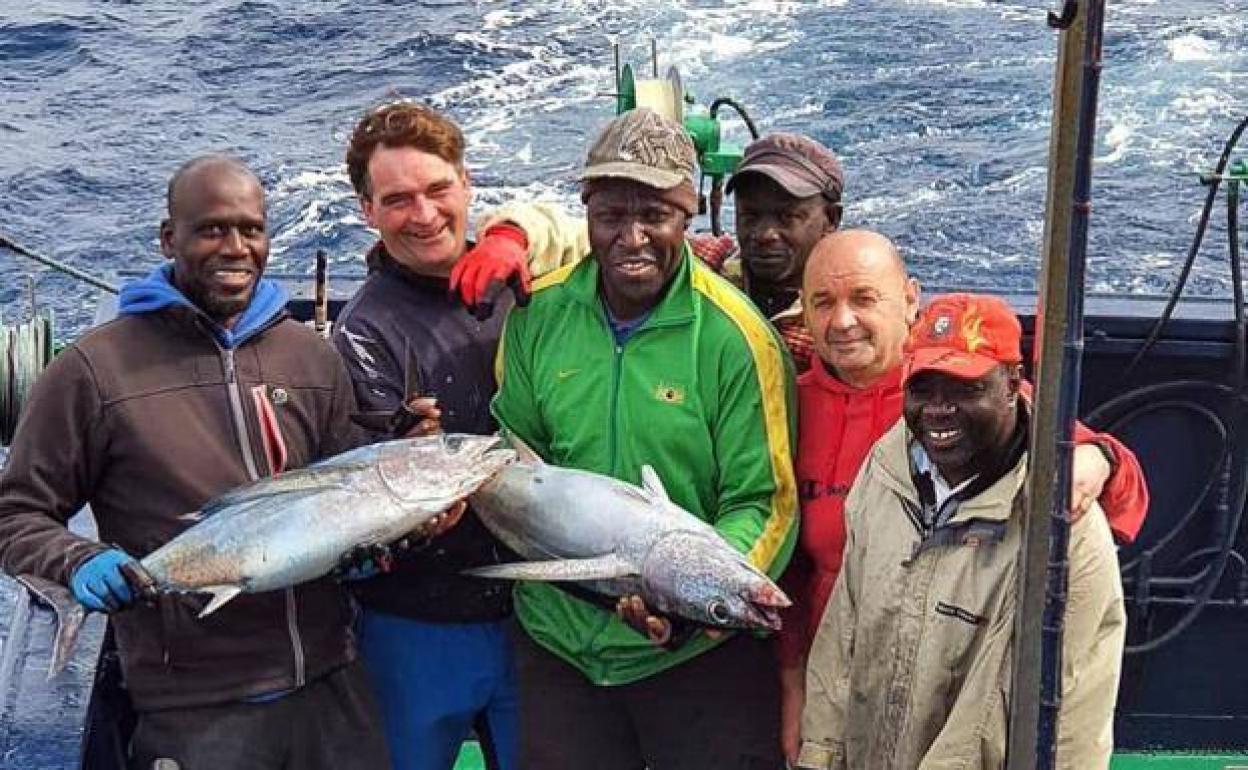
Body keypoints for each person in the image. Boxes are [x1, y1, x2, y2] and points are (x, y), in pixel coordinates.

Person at [0, 155, 391, 769]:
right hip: (195, 711)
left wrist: (375, 545)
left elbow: (344, 492)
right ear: (168, 237)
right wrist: (78, 559)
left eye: (251, 229)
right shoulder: (93, 371)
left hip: (331, 689)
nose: (235, 247)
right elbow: (16, 514)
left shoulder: (311, 358)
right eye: (211, 229)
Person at [491, 107, 798, 770]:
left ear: (686, 217)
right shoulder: (536, 317)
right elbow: (512, 455)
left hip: (695, 655)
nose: (632, 237)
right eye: (611, 216)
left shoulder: (734, 338)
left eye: (654, 215)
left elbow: (764, 500)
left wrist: (692, 596)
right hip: (560, 646)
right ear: (586, 217)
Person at [778, 230, 1148, 763]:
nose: (842, 321)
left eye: (863, 298)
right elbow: (839, 635)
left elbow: (1070, 711)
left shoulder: (1057, 513)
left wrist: (1103, 457)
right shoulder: (874, 465)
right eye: (823, 302)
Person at [333, 101, 582, 770]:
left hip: (539, 609)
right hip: (418, 625)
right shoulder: (360, 333)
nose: (424, 214)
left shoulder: (526, 276)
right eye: (397, 200)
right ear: (367, 211)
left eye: (439, 190)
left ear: (468, 183)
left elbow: (602, 232)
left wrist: (515, 233)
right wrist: (413, 498)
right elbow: (371, 500)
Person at [457, 131, 844, 371]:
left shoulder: (846, 312)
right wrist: (510, 236)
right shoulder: (706, 265)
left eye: (788, 217)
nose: (765, 234)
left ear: (831, 219)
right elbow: (574, 235)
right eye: (751, 215)